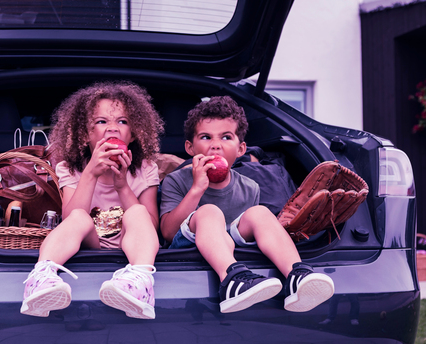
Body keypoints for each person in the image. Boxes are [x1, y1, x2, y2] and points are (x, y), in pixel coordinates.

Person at [159, 96, 334, 313]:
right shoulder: (176, 180)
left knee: (260, 212)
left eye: (226, 137)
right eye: (205, 137)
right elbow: (167, 233)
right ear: (190, 147)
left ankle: (296, 276)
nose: (215, 145)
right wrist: (196, 189)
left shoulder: (250, 186)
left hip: (228, 243)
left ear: (241, 149)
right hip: (188, 243)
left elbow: (243, 233)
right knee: (209, 212)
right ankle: (232, 282)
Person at [20, 81, 164, 320]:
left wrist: (122, 186)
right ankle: (42, 276)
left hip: (131, 251)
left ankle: (139, 280)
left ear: (134, 134)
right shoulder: (71, 169)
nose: (112, 129)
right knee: (78, 216)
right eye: (101, 121)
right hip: (90, 247)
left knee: (138, 213)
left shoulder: (146, 169)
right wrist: (91, 174)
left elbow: (152, 226)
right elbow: (70, 218)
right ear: (85, 135)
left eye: (122, 121)